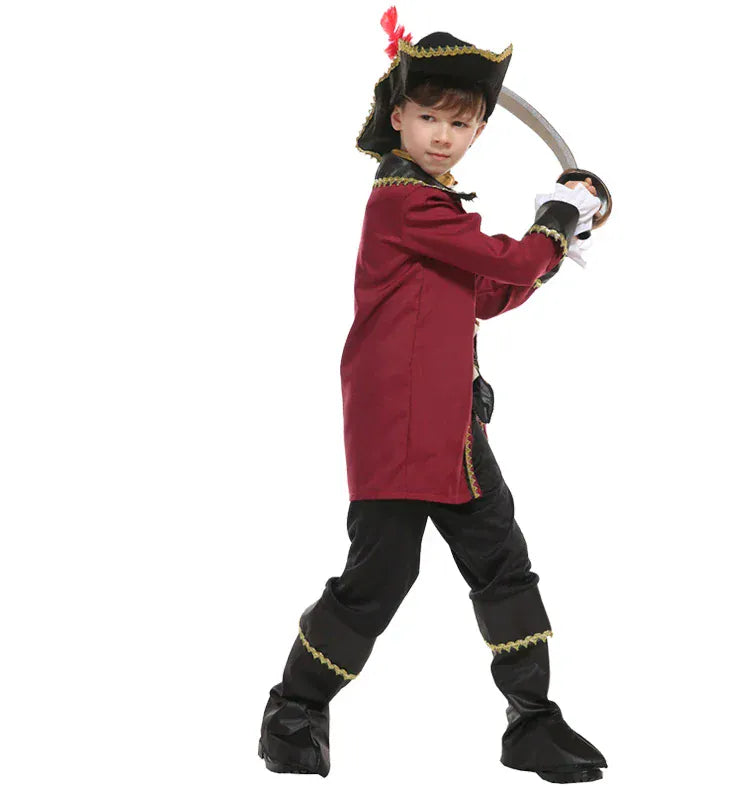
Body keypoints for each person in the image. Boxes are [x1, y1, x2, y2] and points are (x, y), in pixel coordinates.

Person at [257, 7, 607, 783]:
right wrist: (557, 216)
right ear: (398, 118)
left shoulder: (436, 209)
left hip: (452, 427)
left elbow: (486, 291)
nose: (442, 135)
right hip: (399, 426)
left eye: (460, 122)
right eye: (428, 118)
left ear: (479, 128)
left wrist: (554, 247)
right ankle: (293, 712)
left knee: (503, 562)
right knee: (381, 575)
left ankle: (531, 722)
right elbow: (508, 261)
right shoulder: (403, 201)